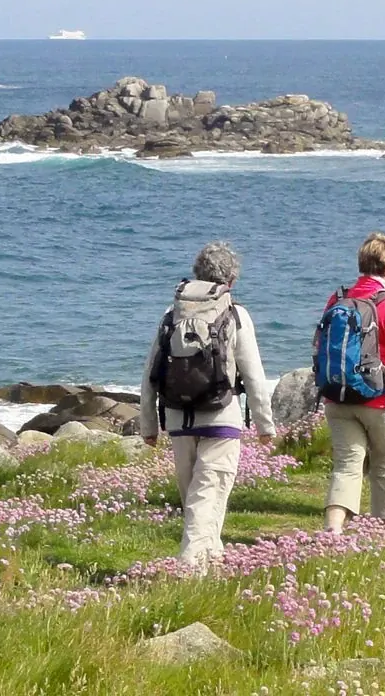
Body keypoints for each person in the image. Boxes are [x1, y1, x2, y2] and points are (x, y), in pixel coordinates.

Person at [139, 241, 277, 573]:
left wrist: (148, 426)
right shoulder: (235, 314)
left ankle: (210, 568)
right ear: (231, 280)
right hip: (220, 418)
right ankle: (188, 573)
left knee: (196, 502)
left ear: (197, 273)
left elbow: (150, 373)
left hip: (178, 419)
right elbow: (254, 377)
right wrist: (265, 426)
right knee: (207, 500)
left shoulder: (172, 313)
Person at [317, 232, 385, 534]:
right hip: (384, 401)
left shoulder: (338, 299)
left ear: (361, 263)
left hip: (338, 398)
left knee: (346, 465)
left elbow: (319, 344)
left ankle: (334, 528)